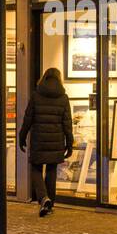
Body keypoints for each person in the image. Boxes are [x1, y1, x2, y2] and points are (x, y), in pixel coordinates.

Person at [18, 67, 73, 217]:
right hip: (55, 141)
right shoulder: (63, 98)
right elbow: (67, 123)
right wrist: (69, 142)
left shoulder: (36, 95)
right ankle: (50, 204)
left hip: (38, 140)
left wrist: (22, 136)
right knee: (51, 170)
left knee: (35, 168)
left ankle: (43, 198)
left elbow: (27, 118)